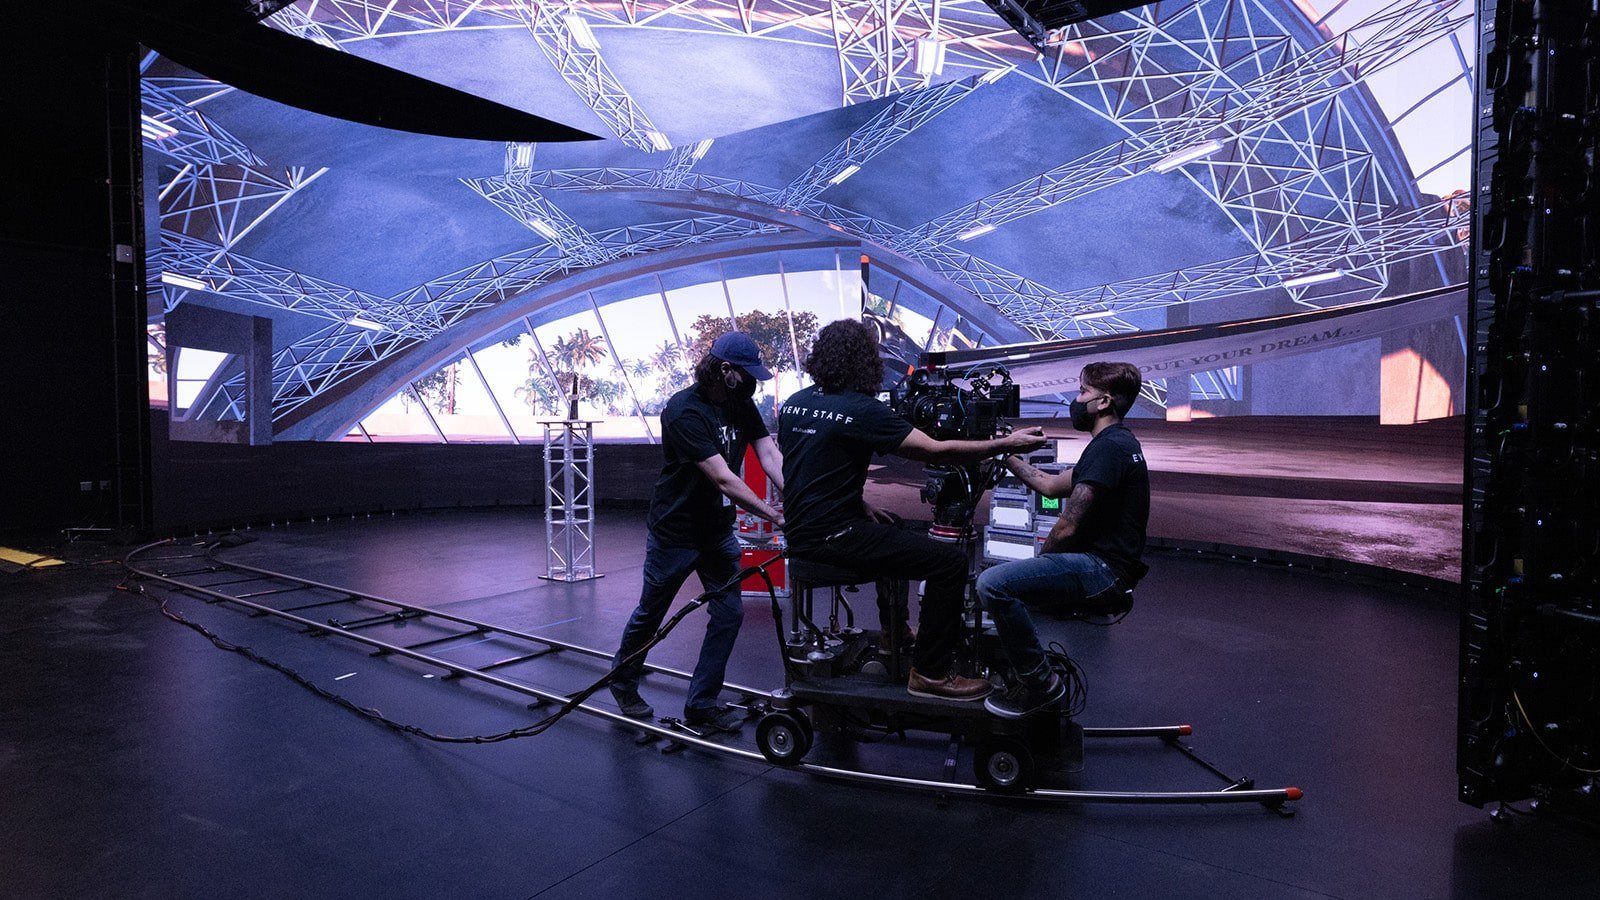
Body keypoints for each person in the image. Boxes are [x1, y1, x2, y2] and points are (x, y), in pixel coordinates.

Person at [779, 319, 1047, 701]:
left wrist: (860, 502)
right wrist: (1006, 443)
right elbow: (933, 450)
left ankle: (895, 631)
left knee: (894, 526)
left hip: (804, 530)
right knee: (949, 563)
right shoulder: (862, 409)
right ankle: (931, 674)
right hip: (834, 538)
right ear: (864, 362)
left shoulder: (796, 403)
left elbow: (810, 468)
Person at [609, 332, 785, 733]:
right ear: (725, 371)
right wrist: (777, 516)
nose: (753, 381)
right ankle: (622, 680)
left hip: (716, 532)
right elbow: (723, 478)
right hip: (676, 531)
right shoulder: (684, 410)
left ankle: (702, 703)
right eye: (746, 373)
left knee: (728, 613)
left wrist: (796, 499)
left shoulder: (741, 403)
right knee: (651, 613)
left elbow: (769, 453)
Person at [976, 361, 1150, 719]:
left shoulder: (1109, 448)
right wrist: (1004, 449)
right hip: (1112, 569)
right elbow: (1050, 485)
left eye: (1082, 392)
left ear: (1103, 402)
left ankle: (1041, 686)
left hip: (1102, 570)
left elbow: (1068, 525)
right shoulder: (1116, 443)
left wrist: (1041, 561)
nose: (1077, 399)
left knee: (993, 584)